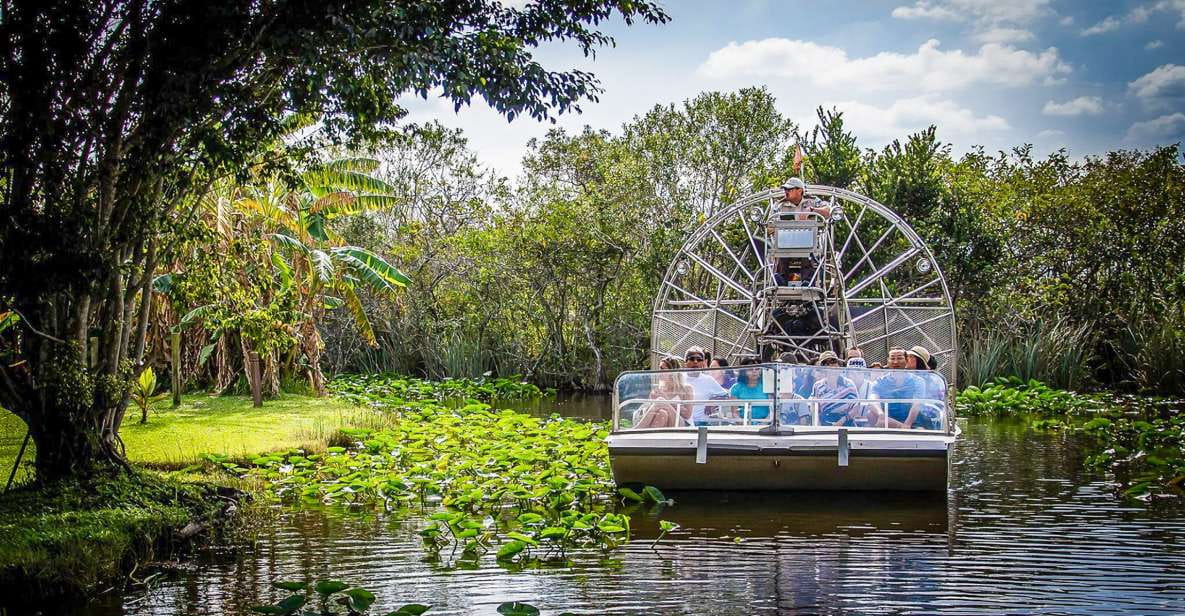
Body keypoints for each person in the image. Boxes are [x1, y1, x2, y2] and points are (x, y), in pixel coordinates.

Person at [868, 348, 931, 429]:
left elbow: (917, 404)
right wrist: (881, 415)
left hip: (912, 423)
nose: (895, 362)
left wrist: (907, 424)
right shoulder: (880, 381)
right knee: (871, 414)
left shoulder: (918, 381)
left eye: (899, 358)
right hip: (887, 422)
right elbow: (873, 399)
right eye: (892, 358)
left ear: (906, 360)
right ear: (888, 361)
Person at [633, 357, 693, 428]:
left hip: (682, 424)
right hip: (665, 421)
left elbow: (687, 414)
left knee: (661, 400)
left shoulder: (686, 388)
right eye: (659, 368)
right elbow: (650, 413)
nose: (659, 372)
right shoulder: (657, 390)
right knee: (662, 413)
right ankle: (650, 438)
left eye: (662, 369)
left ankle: (638, 428)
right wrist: (652, 403)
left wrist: (667, 401)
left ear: (672, 372)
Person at [809, 351, 858, 426]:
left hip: (847, 423)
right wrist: (817, 423)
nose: (831, 366)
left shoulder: (848, 384)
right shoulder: (817, 386)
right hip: (825, 425)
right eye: (826, 363)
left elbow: (856, 406)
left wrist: (842, 421)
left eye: (834, 362)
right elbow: (814, 407)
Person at [682, 346, 728, 425]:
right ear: (685, 362)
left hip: (700, 422)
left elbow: (726, 395)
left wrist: (712, 402)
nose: (696, 362)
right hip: (681, 422)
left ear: (703, 363)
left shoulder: (708, 380)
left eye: (699, 359)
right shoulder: (679, 378)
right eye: (692, 359)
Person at [728, 358, 771, 423]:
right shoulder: (736, 388)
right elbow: (735, 413)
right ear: (743, 372)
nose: (754, 371)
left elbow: (773, 411)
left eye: (757, 369)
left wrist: (764, 423)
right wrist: (744, 424)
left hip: (765, 425)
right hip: (744, 425)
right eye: (750, 369)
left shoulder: (767, 386)